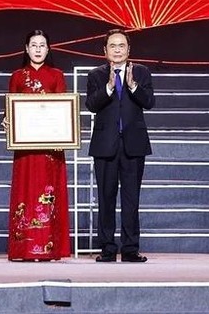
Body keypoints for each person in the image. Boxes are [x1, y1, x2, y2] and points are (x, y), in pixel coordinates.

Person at [85, 29, 155, 263]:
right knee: (105, 198)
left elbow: (150, 102)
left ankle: (130, 249)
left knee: (131, 199)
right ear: (105, 51)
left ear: (128, 49)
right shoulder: (96, 75)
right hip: (105, 146)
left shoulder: (141, 73)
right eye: (112, 46)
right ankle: (107, 248)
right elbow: (91, 105)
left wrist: (133, 86)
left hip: (133, 145)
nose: (117, 49)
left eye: (121, 45)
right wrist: (107, 88)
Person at [5, 30, 71, 261]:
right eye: (34, 45)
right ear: (26, 48)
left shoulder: (56, 75)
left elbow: (63, 109)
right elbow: (11, 109)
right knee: (25, 191)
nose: (38, 49)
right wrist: (8, 122)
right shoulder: (17, 76)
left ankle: (50, 247)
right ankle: (23, 248)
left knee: (48, 193)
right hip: (25, 148)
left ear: (48, 49)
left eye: (42, 45)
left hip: (50, 149)